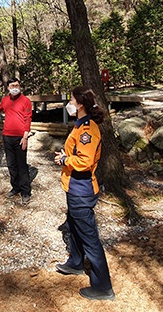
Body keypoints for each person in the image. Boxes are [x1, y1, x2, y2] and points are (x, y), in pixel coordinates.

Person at [54, 86, 115, 301]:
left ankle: (103, 287)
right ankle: (75, 263)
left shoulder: (89, 130)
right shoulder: (79, 126)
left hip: (82, 190)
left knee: (90, 238)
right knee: (72, 225)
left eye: (71, 99)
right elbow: (77, 153)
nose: (68, 103)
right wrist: (66, 156)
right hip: (74, 188)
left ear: (80, 104)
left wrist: (64, 160)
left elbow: (85, 161)